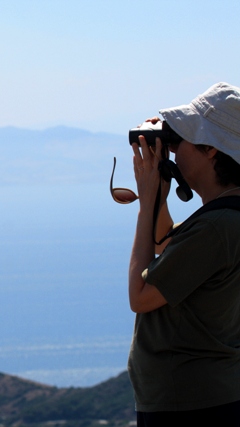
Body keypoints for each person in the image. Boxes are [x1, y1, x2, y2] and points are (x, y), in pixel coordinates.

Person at [127, 82, 240, 426]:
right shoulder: (224, 218)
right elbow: (167, 250)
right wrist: (159, 197)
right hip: (206, 397)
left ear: (211, 150)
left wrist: (146, 204)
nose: (173, 152)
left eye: (181, 140)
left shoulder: (216, 228)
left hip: (189, 403)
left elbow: (141, 295)